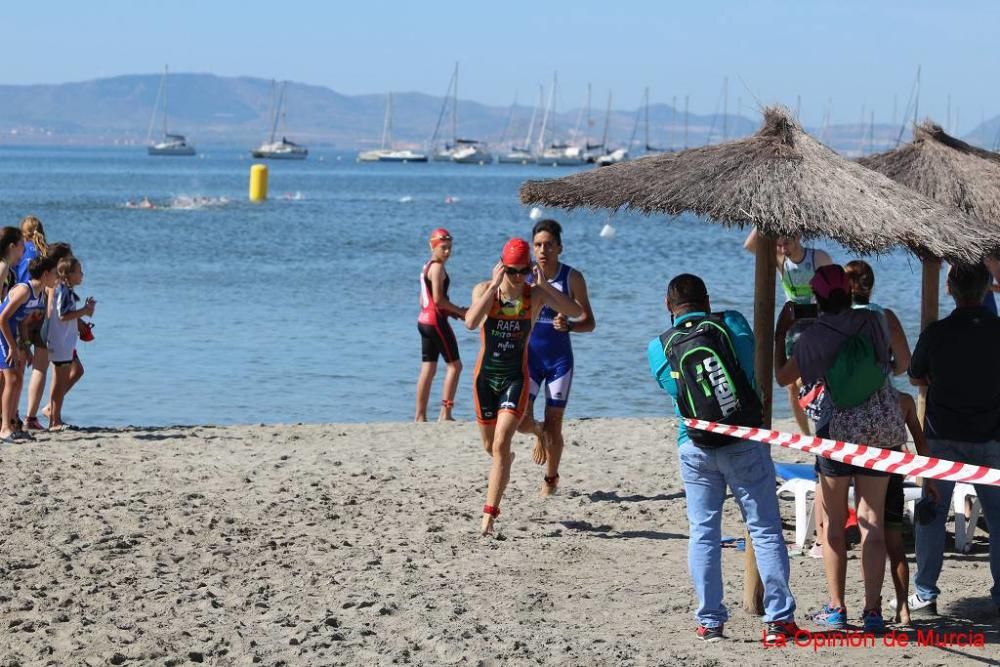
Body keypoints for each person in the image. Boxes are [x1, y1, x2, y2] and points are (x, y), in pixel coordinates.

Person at [647, 273, 798, 643]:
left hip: (694, 445)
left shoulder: (658, 347)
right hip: (744, 439)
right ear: (708, 301)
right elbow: (750, 359)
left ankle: (710, 621)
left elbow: (675, 390)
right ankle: (778, 620)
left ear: (669, 307)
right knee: (763, 528)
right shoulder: (731, 324)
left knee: (703, 532)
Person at [775, 264, 900, 633]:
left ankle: (837, 607)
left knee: (831, 523)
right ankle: (873, 610)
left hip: (835, 432)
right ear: (848, 292)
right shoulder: (874, 322)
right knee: (872, 520)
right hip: (877, 428)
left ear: (816, 298)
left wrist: (782, 330)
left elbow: (783, 377)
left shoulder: (812, 337)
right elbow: (892, 365)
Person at [465, 238, 582, 536]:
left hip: (515, 377)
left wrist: (545, 286)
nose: (518, 277)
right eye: (511, 271)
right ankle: (538, 430)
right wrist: (493, 287)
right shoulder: (484, 290)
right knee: (490, 446)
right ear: (501, 267)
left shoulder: (535, 295)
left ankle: (488, 518)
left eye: (523, 271)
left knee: (502, 444)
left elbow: (575, 311)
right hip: (485, 379)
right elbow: (470, 322)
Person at [905, 262, 1000, 618]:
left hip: (943, 434)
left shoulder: (938, 332)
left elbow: (915, 376)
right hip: (991, 434)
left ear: (950, 289)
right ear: (987, 288)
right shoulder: (997, 330)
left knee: (931, 515)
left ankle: (925, 594)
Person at [516, 219, 595, 496]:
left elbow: (589, 321)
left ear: (559, 247)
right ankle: (538, 433)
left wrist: (571, 325)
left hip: (559, 361)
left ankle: (551, 479)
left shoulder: (572, 278)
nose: (543, 250)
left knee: (555, 422)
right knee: (520, 421)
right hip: (531, 359)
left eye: (549, 244)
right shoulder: (524, 277)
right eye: (538, 245)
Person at [745, 230, 832, 435]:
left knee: (813, 378)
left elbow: (835, 286)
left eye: (787, 242)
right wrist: (764, 220)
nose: (783, 247)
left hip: (817, 322)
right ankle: (805, 434)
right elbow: (749, 246)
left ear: (799, 237)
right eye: (779, 243)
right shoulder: (779, 258)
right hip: (793, 323)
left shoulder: (817, 257)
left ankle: (825, 422)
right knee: (791, 385)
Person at [0, 256, 58, 441]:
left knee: (18, 379)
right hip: (2, 332)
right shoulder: (24, 290)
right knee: (12, 378)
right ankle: (4, 428)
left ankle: (12, 423)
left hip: (13, 334)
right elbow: (2, 319)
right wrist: (11, 346)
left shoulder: (40, 293)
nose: (57, 277)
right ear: (46, 274)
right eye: (55, 273)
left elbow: (24, 324)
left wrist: (26, 347)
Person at [415, 228, 467, 422]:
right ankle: (446, 413)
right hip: (435, 322)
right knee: (455, 366)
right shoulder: (437, 268)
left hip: (424, 321)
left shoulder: (426, 267)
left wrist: (452, 313)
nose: (447, 252)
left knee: (428, 370)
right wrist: (461, 311)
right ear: (433, 246)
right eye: (443, 248)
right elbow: (438, 300)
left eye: (450, 248)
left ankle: (420, 416)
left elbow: (424, 300)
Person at [46, 256, 95, 431]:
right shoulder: (64, 290)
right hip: (61, 343)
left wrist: (84, 312)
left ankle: (54, 418)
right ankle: (55, 420)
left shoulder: (63, 289)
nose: (82, 274)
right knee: (59, 382)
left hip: (62, 342)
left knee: (59, 381)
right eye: (79, 271)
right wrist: (84, 311)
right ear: (68, 274)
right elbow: (63, 315)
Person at [16, 216, 50, 431]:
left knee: (15, 368)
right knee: (40, 367)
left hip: (19, 312)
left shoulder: (17, 252)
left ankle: (11, 414)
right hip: (40, 314)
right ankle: (31, 417)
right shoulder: (45, 252)